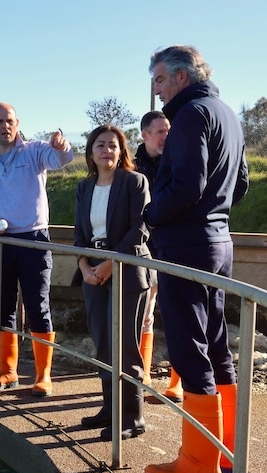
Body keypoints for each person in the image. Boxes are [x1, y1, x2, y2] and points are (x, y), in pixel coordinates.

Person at [141, 45, 249, 473]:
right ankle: (224, 451)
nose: (157, 90)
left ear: (182, 77)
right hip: (217, 242)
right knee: (217, 344)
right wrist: (214, 216)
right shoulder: (225, 112)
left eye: (161, 80)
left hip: (185, 244)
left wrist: (150, 214)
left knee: (189, 348)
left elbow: (187, 185)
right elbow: (239, 184)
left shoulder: (189, 115)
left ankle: (198, 466)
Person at [0, 103, 74, 397]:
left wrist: (62, 147)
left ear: (17, 122)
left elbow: (61, 159)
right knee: (3, 306)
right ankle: (7, 373)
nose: (5, 126)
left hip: (33, 239)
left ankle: (42, 376)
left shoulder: (35, 151)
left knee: (39, 305)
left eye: (9, 120)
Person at [74, 125, 152, 440]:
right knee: (104, 345)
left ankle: (132, 418)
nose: (107, 150)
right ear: (91, 152)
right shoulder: (84, 187)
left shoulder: (135, 182)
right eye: (100, 145)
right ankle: (110, 409)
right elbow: (80, 233)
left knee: (126, 348)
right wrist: (84, 266)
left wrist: (109, 264)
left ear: (121, 152)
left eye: (113, 145)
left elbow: (141, 228)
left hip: (128, 272)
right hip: (93, 274)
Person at [133, 111, 183, 403]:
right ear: (145, 135)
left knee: (178, 315)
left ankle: (178, 380)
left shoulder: (180, 162)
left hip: (176, 247)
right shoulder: (133, 168)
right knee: (145, 316)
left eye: (169, 130)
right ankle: (144, 374)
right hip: (146, 249)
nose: (166, 136)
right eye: (160, 131)